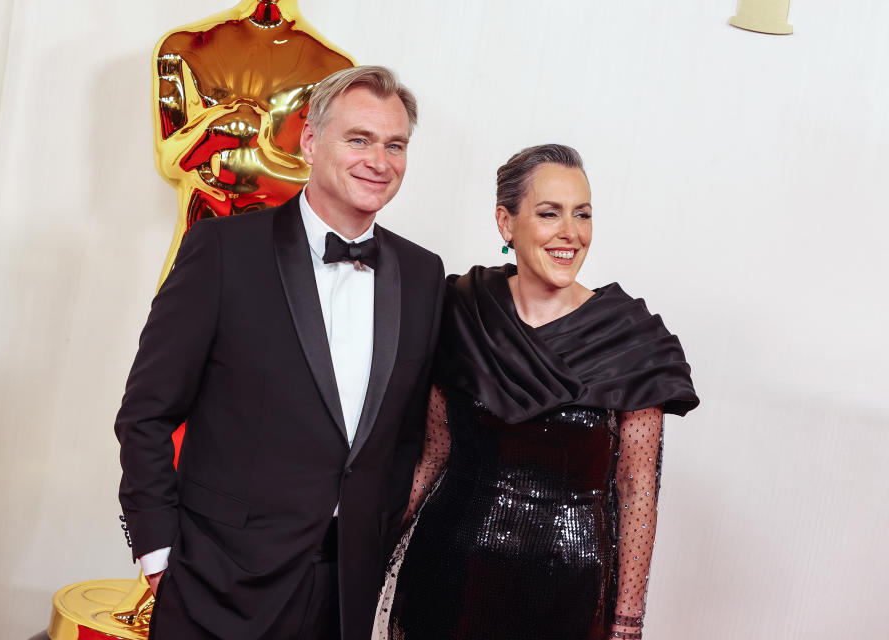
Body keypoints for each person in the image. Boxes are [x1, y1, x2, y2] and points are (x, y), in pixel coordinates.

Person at [115, 65, 445, 640]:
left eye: (395, 145)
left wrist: (375, 543)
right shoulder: (222, 251)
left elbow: (403, 438)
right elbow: (145, 413)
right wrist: (158, 555)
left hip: (345, 594)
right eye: (359, 139)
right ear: (311, 142)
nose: (380, 161)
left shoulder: (423, 274)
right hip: (216, 582)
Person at [373, 144, 699, 640]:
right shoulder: (463, 311)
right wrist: (362, 556)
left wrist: (627, 621)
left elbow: (636, 490)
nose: (571, 232)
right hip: (450, 569)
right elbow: (433, 455)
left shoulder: (631, 339)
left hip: (568, 585)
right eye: (550, 213)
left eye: (582, 214)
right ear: (507, 223)